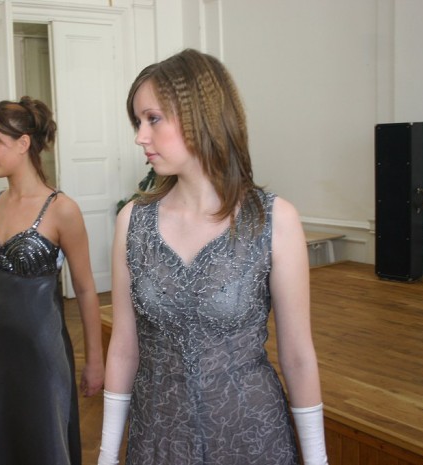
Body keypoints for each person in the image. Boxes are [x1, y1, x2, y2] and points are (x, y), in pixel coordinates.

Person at [98, 49, 328, 465]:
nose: (140, 137)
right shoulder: (133, 221)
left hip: (251, 436)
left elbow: (297, 356)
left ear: (199, 115)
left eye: (153, 119)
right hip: (158, 439)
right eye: (137, 122)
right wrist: (106, 455)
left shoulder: (273, 219)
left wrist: (318, 461)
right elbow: (123, 348)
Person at [0, 97, 105, 465]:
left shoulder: (62, 209)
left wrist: (95, 361)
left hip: (41, 353)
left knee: (43, 444)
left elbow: (85, 290)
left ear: (23, 143)